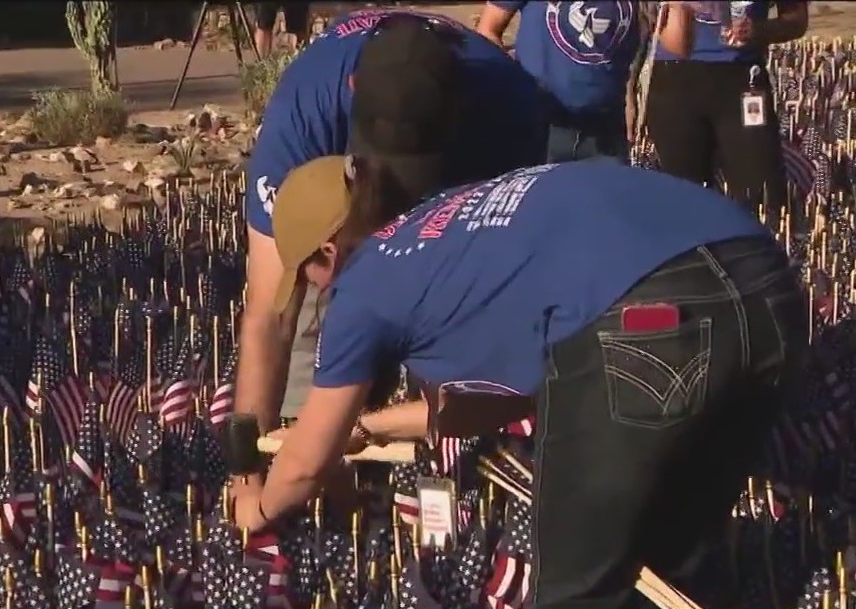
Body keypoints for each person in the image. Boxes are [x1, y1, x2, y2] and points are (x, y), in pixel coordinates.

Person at [235, 155, 807, 609]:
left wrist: (254, 509)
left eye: (307, 275)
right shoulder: (446, 225)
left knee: (576, 589)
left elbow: (305, 466)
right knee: (675, 562)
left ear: (328, 252)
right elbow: (485, 404)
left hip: (650, 318)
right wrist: (366, 426)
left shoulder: (363, 286)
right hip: (764, 284)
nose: (314, 290)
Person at [239, 8, 544, 450]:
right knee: (307, 306)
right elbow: (269, 316)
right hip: (337, 160)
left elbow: (501, 320)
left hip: (465, 176)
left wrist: (390, 425)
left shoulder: (509, 110)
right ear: (354, 89)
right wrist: (250, 468)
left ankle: (434, 460)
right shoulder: (303, 110)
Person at [476, 1, 695, 162]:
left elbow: (678, 47)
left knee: (601, 217)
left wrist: (679, 8)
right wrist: (514, 89)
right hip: (541, 125)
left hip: (605, 129)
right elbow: (487, 30)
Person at [646, 1, 808, 213]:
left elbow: (796, 20)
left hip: (742, 80)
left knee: (761, 197)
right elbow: (642, 20)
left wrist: (756, 31)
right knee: (681, 200)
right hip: (673, 81)